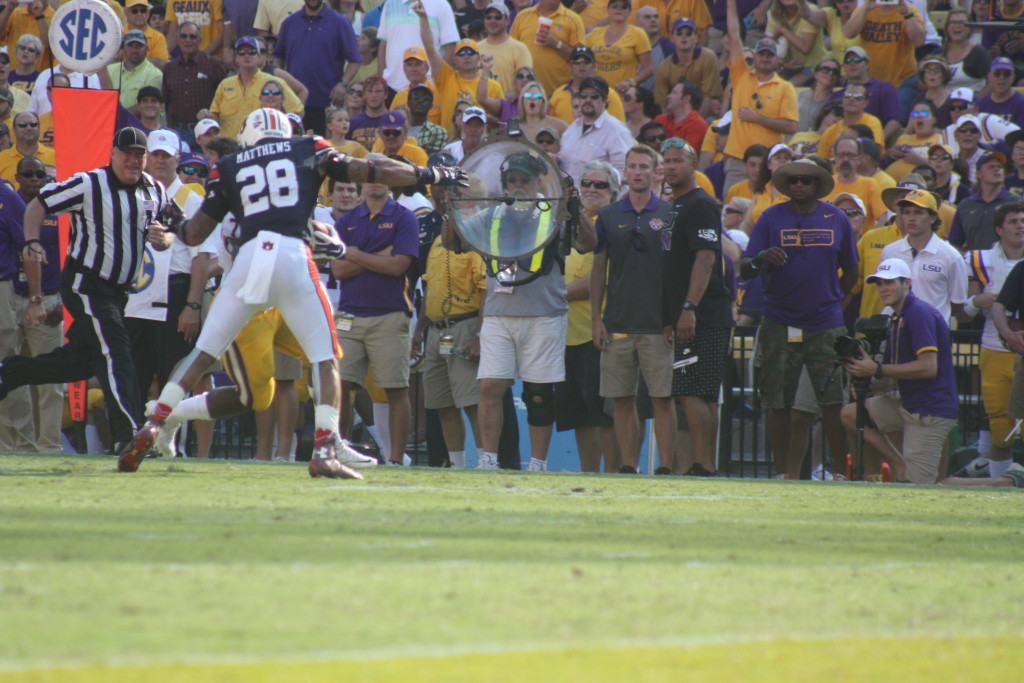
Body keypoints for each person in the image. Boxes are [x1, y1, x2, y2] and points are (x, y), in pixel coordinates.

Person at [117, 109, 467, 477]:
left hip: (248, 261)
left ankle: (154, 422)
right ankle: (325, 447)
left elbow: (195, 233)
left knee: (204, 353)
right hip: (291, 254)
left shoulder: (232, 165)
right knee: (326, 357)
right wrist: (431, 174)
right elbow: (368, 171)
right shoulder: (307, 147)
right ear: (284, 132)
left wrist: (173, 228)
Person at [0, 128, 168, 452]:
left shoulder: (154, 190)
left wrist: (165, 238)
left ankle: (10, 372)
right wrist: (32, 241)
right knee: (115, 350)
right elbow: (38, 204)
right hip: (86, 282)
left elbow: (171, 231)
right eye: (128, 153)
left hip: (119, 293)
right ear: (114, 154)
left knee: (80, 363)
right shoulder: (89, 183)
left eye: (139, 154)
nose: (134, 160)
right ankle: (129, 434)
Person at [466, 151, 597, 470]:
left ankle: (538, 463)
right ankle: (488, 458)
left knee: (538, 394)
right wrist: (450, 205)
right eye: (513, 179)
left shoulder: (554, 213)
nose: (518, 185)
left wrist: (573, 205)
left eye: (525, 179)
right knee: (490, 386)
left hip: (544, 313)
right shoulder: (491, 215)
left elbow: (589, 243)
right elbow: (455, 237)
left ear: (540, 181)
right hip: (499, 311)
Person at [740, 158, 858, 480]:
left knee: (834, 402)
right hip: (780, 322)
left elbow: (852, 270)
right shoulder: (769, 218)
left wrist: (832, 298)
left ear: (818, 184)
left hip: (826, 324)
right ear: (787, 185)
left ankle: (840, 472)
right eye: (794, 180)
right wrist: (763, 258)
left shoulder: (836, 218)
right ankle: (784, 474)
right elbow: (744, 266)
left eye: (806, 180)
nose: (800, 185)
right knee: (777, 401)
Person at [589, 145, 677, 475]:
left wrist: (674, 318)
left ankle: (666, 467)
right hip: (618, 322)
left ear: (655, 173)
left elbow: (676, 272)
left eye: (644, 166)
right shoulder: (609, 216)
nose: (637, 172)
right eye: (632, 166)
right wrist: (597, 318)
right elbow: (599, 271)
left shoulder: (670, 214)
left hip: (659, 324)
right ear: (624, 172)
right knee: (621, 399)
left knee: (662, 399)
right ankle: (629, 465)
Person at [840, 256, 959, 484]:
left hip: (930, 409)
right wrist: (866, 378)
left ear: (907, 283)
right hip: (909, 402)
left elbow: (928, 368)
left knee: (925, 487)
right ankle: (898, 463)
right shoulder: (895, 317)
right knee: (850, 413)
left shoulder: (918, 313)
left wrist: (876, 368)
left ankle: (1006, 482)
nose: (883, 288)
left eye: (890, 282)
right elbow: (887, 376)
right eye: (879, 283)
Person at [663, 137, 734, 476]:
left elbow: (706, 259)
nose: (671, 166)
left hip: (703, 313)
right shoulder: (674, 205)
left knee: (693, 390)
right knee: (699, 392)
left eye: (678, 160)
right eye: (667, 160)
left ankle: (704, 464)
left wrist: (689, 307)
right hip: (686, 311)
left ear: (693, 165)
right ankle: (701, 463)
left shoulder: (701, 204)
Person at [963, 203, 1024, 477]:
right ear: (999, 229)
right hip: (994, 347)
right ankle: (999, 485)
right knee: (1000, 426)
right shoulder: (980, 259)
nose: (1020, 225)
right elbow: (963, 313)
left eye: (1023, 220)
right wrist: (978, 300)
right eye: (1013, 221)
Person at [722, 0, 798, 192]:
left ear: (777, 59)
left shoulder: (785, 87)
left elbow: (791, 125)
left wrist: (757, 118)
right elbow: (733, 36)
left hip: (769, 162)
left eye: (769, 55)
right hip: (738, 159)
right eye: (761, 54)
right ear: (754, 57)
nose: (765, 58)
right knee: (731, 212)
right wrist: (731, 5)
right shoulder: (741, 75)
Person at [880, 184, 966, 324]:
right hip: (896, 332)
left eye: (918, 212)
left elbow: (957, 303)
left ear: (932, 218)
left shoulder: (951, 256)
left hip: (933, 333)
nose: (911, 218)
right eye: (906, 212)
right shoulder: (890, 252)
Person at [274, 0, 361, 136]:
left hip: (326, 101)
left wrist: (343, 84)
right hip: (293, 102)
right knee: (294, 148)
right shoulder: (289, 23)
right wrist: (281, 82)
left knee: (323, 149)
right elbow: (278, 56)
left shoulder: (339, 22)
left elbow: (355, 59)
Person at [200, 36, 303, 140]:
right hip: (230, 148)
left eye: (252, 52)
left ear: (259, 56)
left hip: (260, 147)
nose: (247, 55)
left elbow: (298, 111)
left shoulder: (274, 83)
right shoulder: (225, 85)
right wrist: (206, 115)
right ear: (236, 57)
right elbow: (215, 115)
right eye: (242, 52)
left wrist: (283, 133)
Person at [163, 21, 228, 148]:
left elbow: (224, 100)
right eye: (184, 36)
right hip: (179, 131)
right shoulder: (169, 68)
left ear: (200, 40)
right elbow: (168, 103)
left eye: (192, 36)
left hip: (207, 132)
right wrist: (171, 131)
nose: (188, 40)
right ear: (177, 39)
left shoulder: (214, 65)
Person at [558, 76, 634, 184]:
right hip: (568, 197)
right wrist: (556, 160)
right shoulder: (572, 128)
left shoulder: (616, 130)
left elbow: (625, 173)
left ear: (604, 101)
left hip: (600, 198)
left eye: (594, 96)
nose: (588, 100)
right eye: (584, 96)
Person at [509, 0, 585, 100]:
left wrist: (557, 44)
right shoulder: (522, 16)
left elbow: (581, 59)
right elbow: (511, 51)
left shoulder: (573, 19)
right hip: (525, 94)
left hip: (558, 94)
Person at [378, 0, 458, 94]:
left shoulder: (441, 4)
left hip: (429, 89)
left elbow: (450, 47)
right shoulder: (389, 4)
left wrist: (439, 81)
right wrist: (382, 80)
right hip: (391, 86)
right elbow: (383, 45)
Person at [948, 151, 1016, 253]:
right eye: (991, 167)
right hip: (973, 264)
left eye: (1000, 166)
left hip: (1006, 265)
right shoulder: (965, 205)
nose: (997, 169)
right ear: (978, 174)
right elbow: (955, 242)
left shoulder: (1015, 203)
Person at [584, 0, 653, 93]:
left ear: (629, 11)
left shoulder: (638, 34)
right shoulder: (595, 33)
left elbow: (649, 68)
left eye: (624, 7)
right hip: (597, 94)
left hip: (623, 94)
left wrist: (630, 83)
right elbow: (584, 62)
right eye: (614, 6)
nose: (618, 9)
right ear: (608, 10)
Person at [549, 46, 626, 124]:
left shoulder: (608, 94)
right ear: (570, 66)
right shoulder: (558, 93)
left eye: (587, 61)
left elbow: (620, 126)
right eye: (577, 61)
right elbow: (550, 125)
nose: (582, 65)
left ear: (594, 66)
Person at [823, 137, 886, 231]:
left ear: (860, 158)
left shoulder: (870, 185)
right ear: (835, 157)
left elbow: (883, 219)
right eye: (841, 155)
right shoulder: (825, 184)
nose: (845, 159)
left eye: (850, 155)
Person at [476, 2, 533, 98]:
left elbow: (526, 86)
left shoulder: (520, 49)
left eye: (498, 17)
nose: (492, 21)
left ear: (507, 21)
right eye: (488, 17)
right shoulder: (475, 48)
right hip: (478, 110)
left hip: (507, 109)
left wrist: (496, 99)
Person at [108, 31, 164, 112]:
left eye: (139, 46)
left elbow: (148, 107)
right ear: (123, 48)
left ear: (147, 48)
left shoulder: (155, 74)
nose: (134, 50)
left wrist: (119, 118)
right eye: (130, 46)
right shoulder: (109, 70)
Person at [654, 78, 707, 153]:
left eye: (674, 93)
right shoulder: (660, 119)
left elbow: (687, 155)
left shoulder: (698, 124)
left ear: (686, 98)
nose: (668, 96)